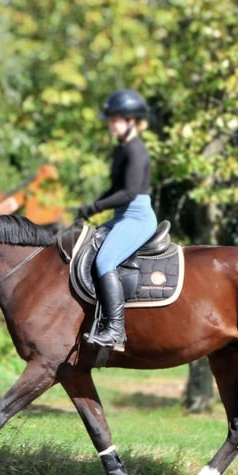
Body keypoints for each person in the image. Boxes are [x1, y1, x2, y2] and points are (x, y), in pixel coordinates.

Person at [75, 89, 157, 352]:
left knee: (105, 260)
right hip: (121, 215)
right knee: (85, 245)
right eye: (110, 120)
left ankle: (115, 331)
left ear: (132, 120)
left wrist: (95, 206)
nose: (111, 125)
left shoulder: (136, 150)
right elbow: (114, 188)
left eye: (115, 120)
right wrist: (87, 210)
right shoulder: (121, 149)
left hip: (138, 216)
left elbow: (129, 192)